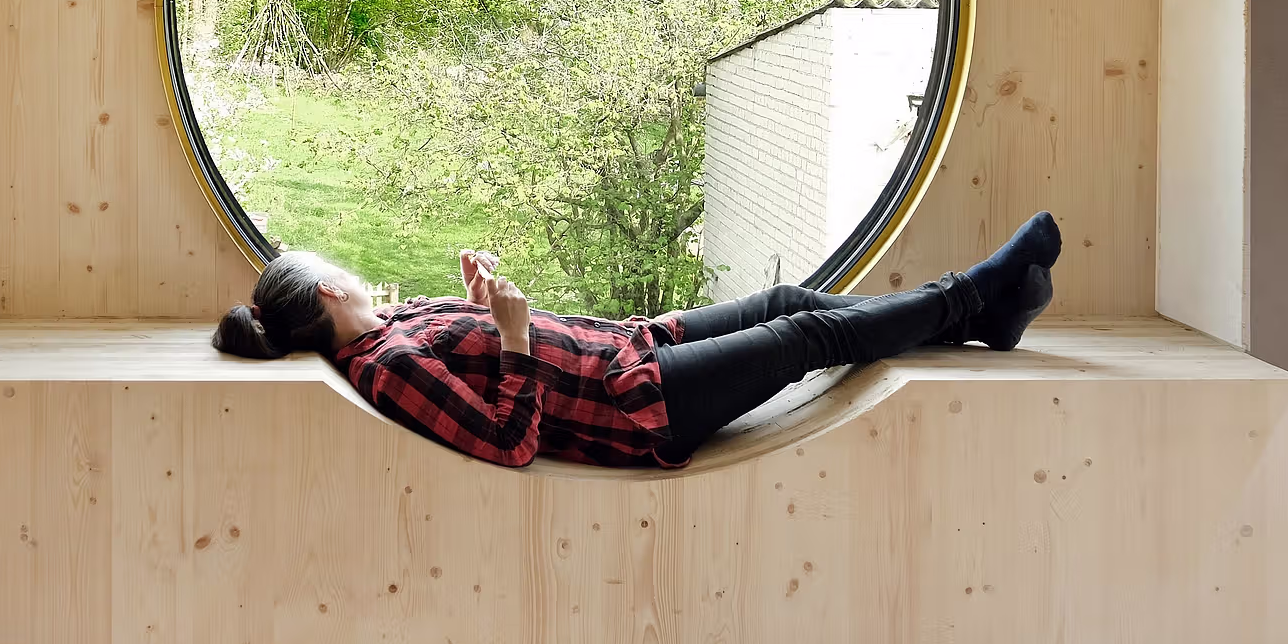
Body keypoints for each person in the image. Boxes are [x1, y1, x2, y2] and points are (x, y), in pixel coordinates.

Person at [212, 212, 1063, 469]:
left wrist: (480, 306)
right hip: (636, 407)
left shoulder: (391, 327)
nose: (351, 269)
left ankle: (981, 320)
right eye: (337, 267)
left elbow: (480, 354)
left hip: (627, 350)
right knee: (802, 335)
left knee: (784, 298)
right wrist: (512, 338)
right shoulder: (386, 365)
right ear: (327, 291)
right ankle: (972, 295)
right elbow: (507, 441)